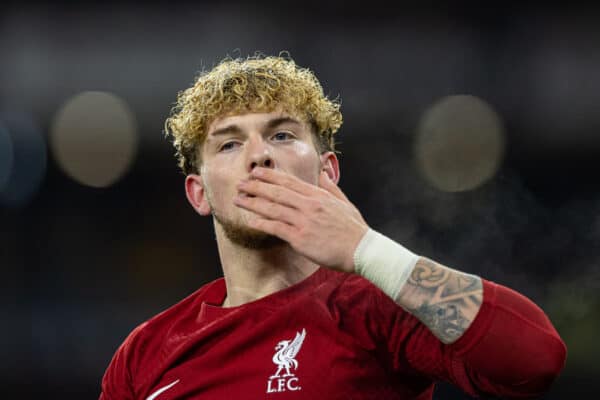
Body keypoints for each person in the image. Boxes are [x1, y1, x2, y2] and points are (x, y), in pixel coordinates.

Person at [99, 54, 566, 399]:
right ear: (199, 193)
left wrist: (364, 248)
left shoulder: (376, 307)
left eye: (282, 135)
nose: (259, 155)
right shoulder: (147, 353)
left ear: (328, 172)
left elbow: (536, 359)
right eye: (228, 145)